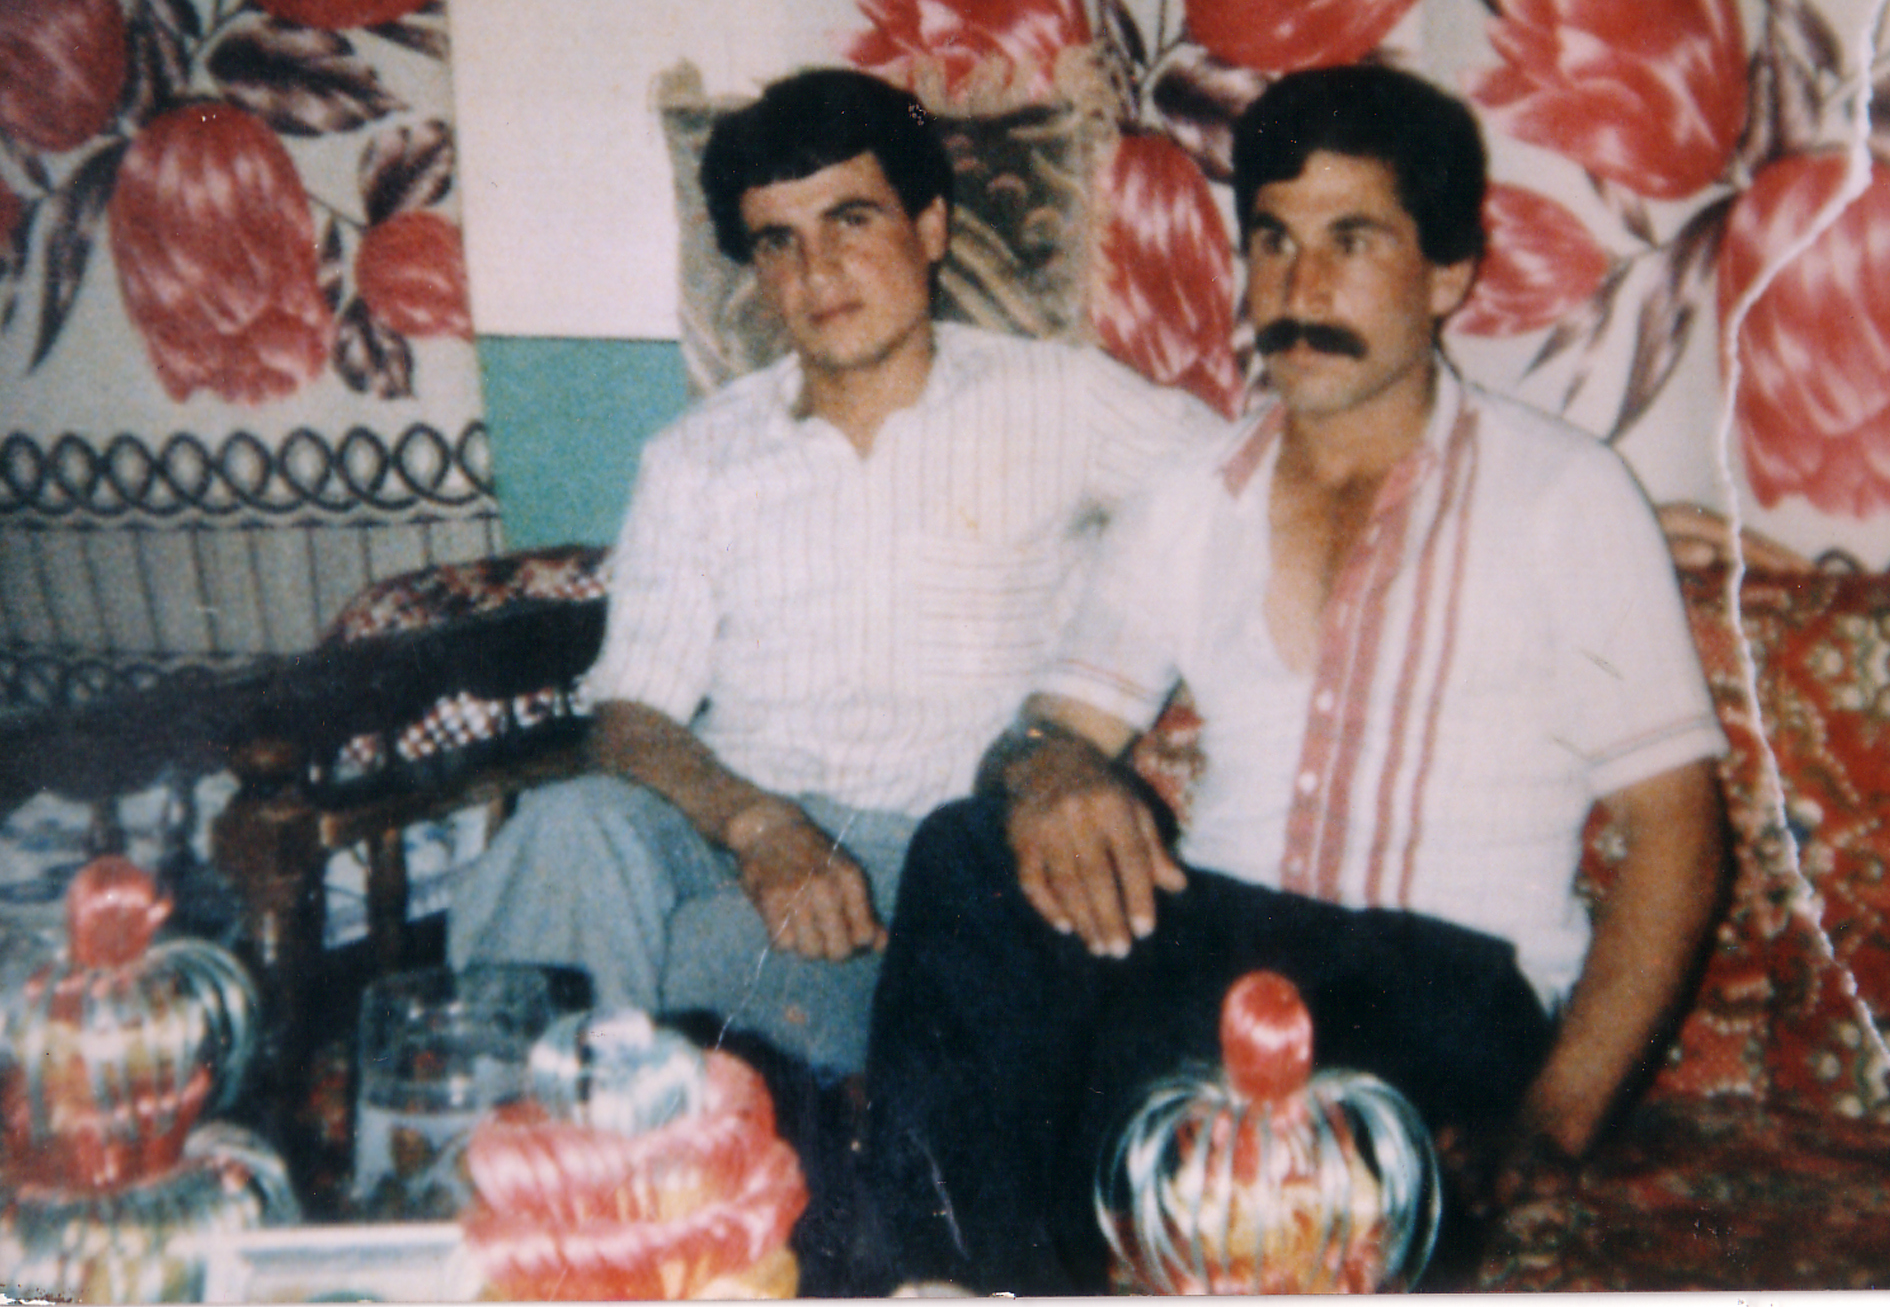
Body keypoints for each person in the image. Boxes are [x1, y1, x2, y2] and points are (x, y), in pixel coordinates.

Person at [861, 65, 1729, 1293]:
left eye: (1350, 241)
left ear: (1447, 274)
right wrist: (1047, 770)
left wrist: (1552, 1122)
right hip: (1222, 947)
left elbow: (1677, 835)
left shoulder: (1563, 496)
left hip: (1439, 983)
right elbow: (1045, 728)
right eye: (1272, 241)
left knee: (1172, 1103)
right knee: (966, 851)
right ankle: (955, 1280)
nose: (1300, 289)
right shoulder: (1186, 496)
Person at [446, 68, 1218, 1078]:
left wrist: (1091, 709)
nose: (818, 271)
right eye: (779, 242)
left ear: (930, 228)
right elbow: (629, 718)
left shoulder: (1060, 401)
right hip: (728, 830)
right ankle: (514, 1146)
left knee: (677, 984)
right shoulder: (697, 457)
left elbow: (1244, 494)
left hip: (926, 868)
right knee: (564, 827)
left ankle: (540, 1130)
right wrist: (759, 825)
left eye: (851, 221)